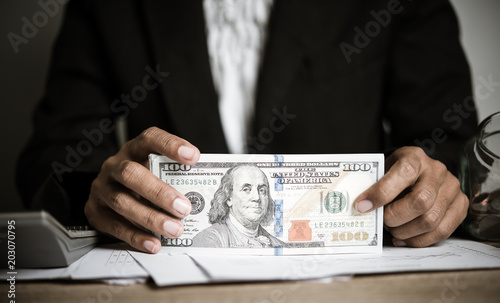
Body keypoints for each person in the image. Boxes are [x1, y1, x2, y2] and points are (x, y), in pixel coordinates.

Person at [17, 0, 477, 254]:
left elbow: (451, 144)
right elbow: (51, 159)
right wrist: (97, 195)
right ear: (226, 197)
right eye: (248, 190)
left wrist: (434, 188)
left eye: (260, 191)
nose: (258, 198)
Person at [192, 164, 284, 248]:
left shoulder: (278, 245)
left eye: (262, 190)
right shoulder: (209, 240)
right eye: (246, 189)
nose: (256, 197)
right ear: (229, 198)